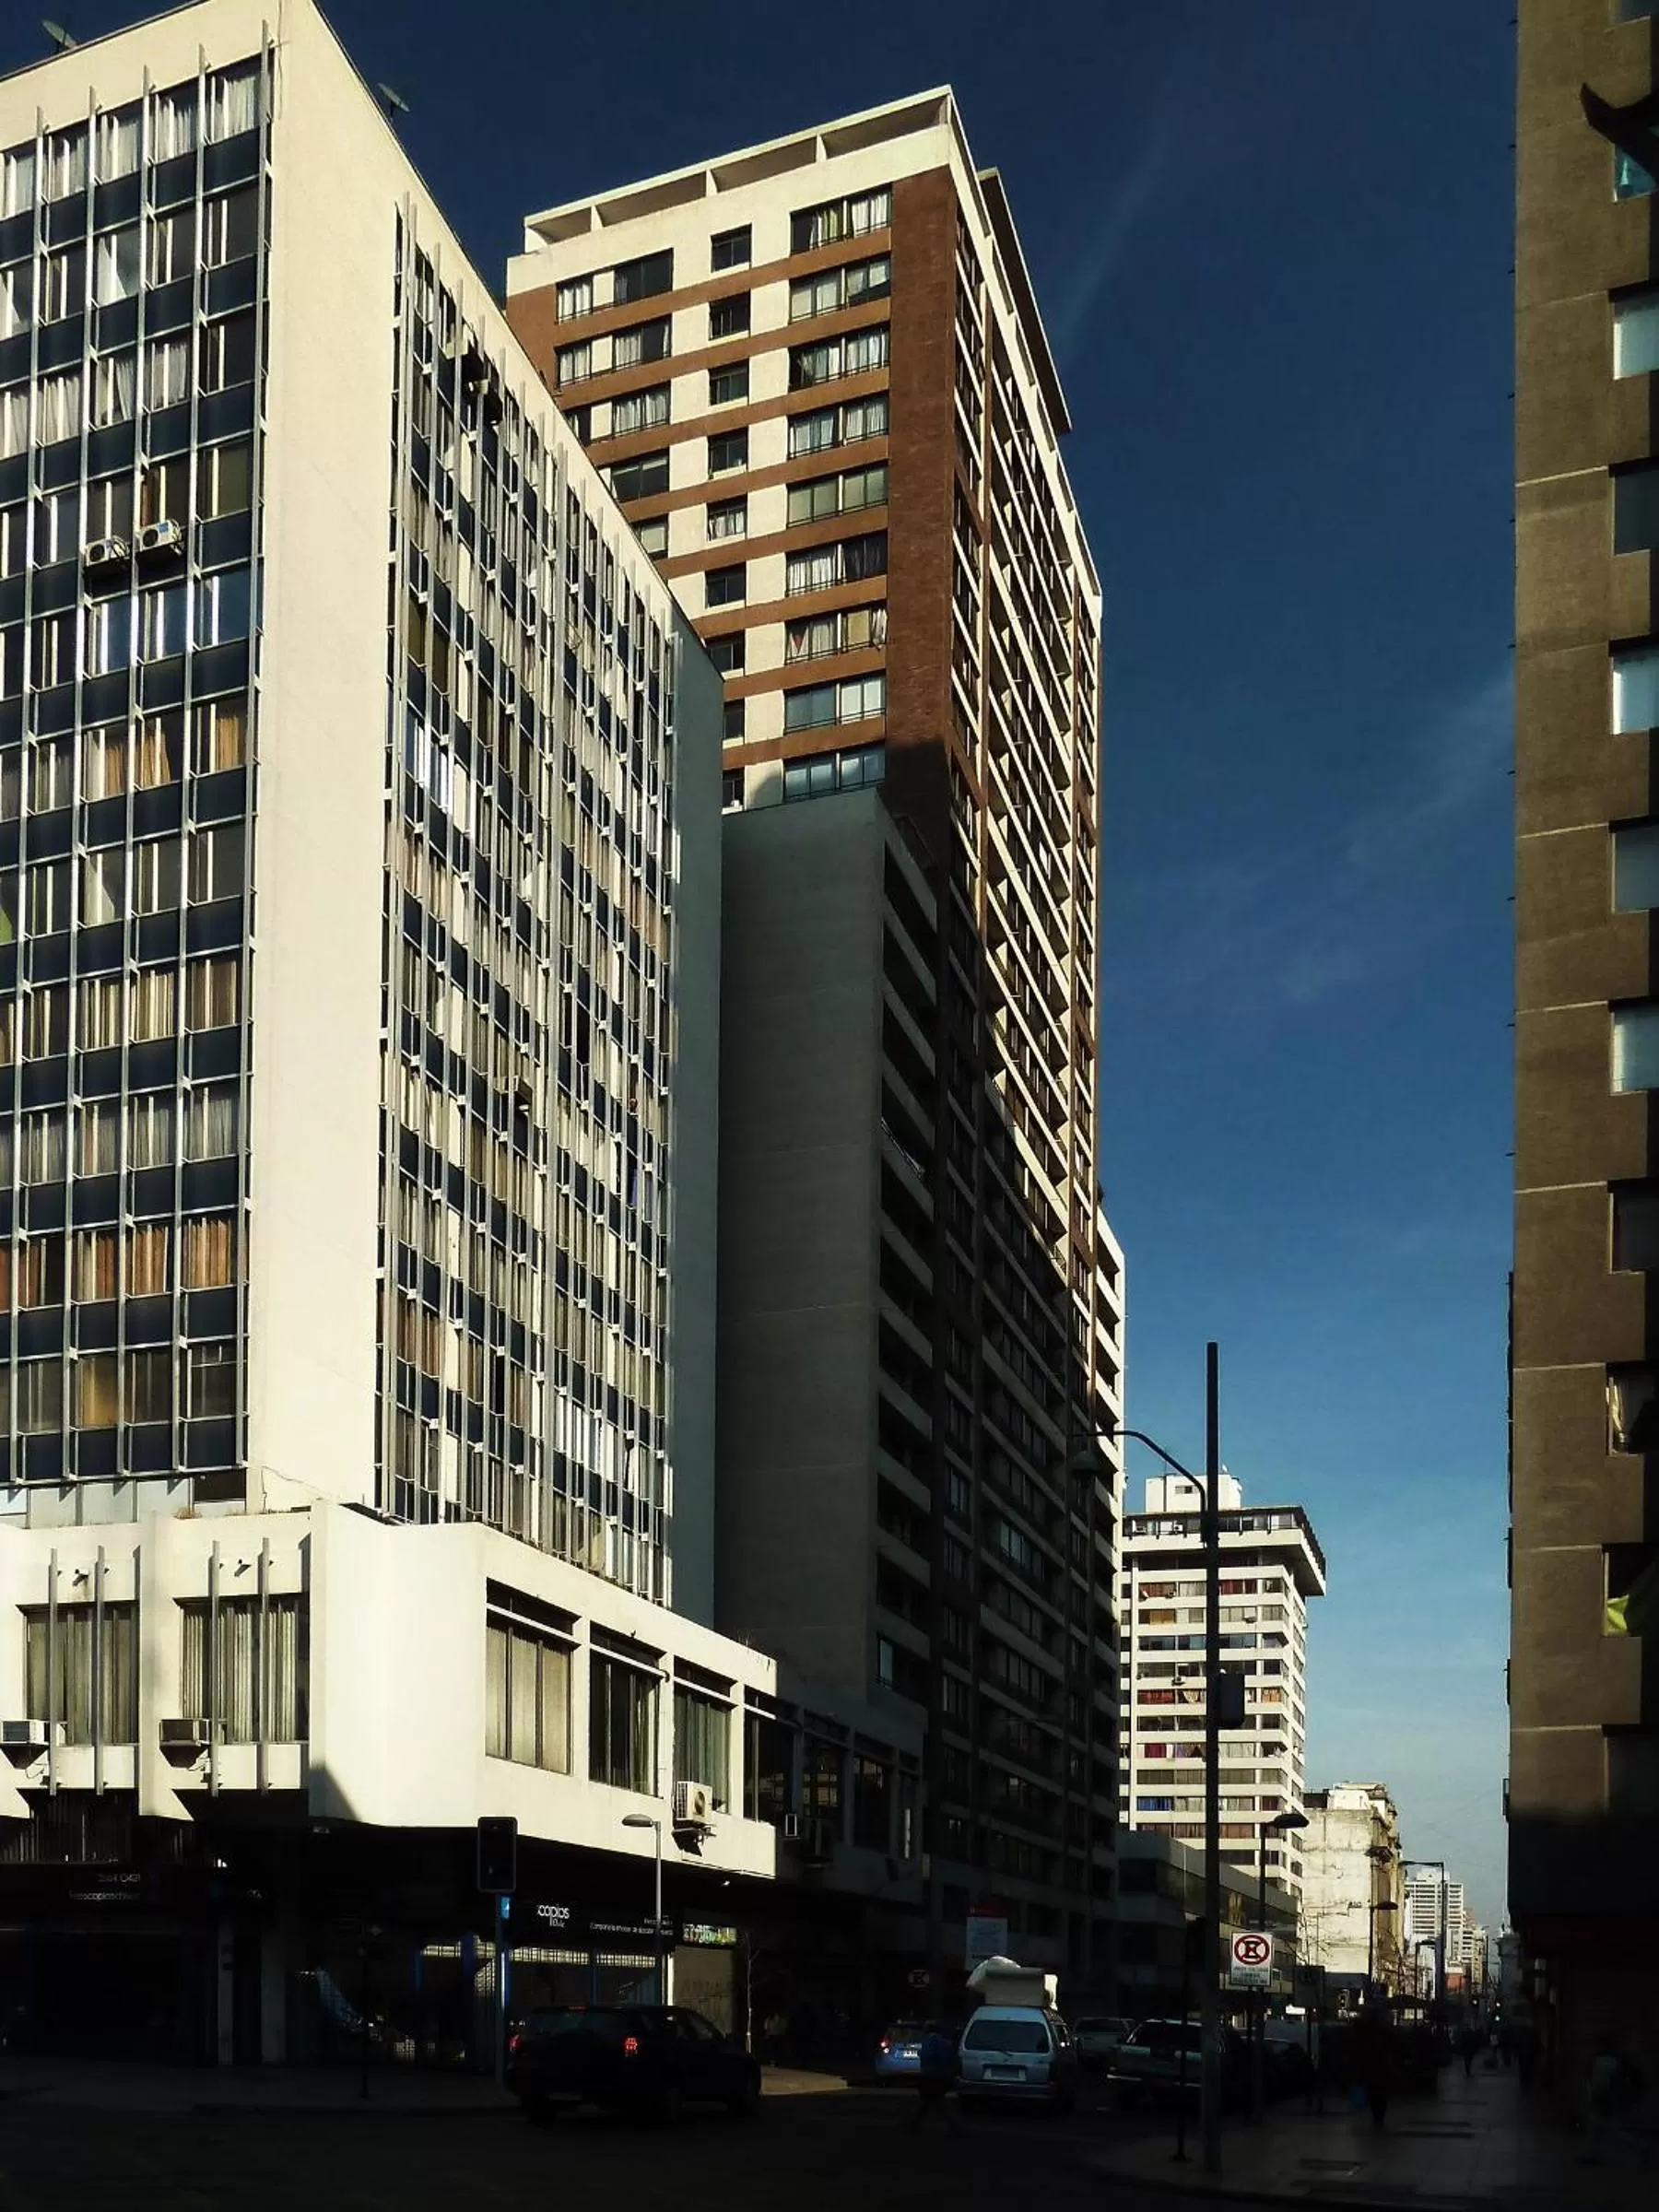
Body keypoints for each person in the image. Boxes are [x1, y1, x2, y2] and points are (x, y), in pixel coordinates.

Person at [1581, 2033, 1647, 2167]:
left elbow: (1599, 2082)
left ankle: (1641, 2146)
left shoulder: (1602, 2060)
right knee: (1599, 2128)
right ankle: (1592, 2155)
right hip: (1608, 2098)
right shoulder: (1615, 2059)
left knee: (1607, 2130)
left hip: (1604, 2099)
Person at [911, 2020, 963, 2134]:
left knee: (933, 2102)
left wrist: (921, 2054)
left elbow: (928, 2055)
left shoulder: (930, 2041)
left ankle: (955, 2127)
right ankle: (914, 2123)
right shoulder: (946, 2043)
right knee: (933, 2102)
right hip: (943, 2077)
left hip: (931, 2076)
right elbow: (954, 2059)